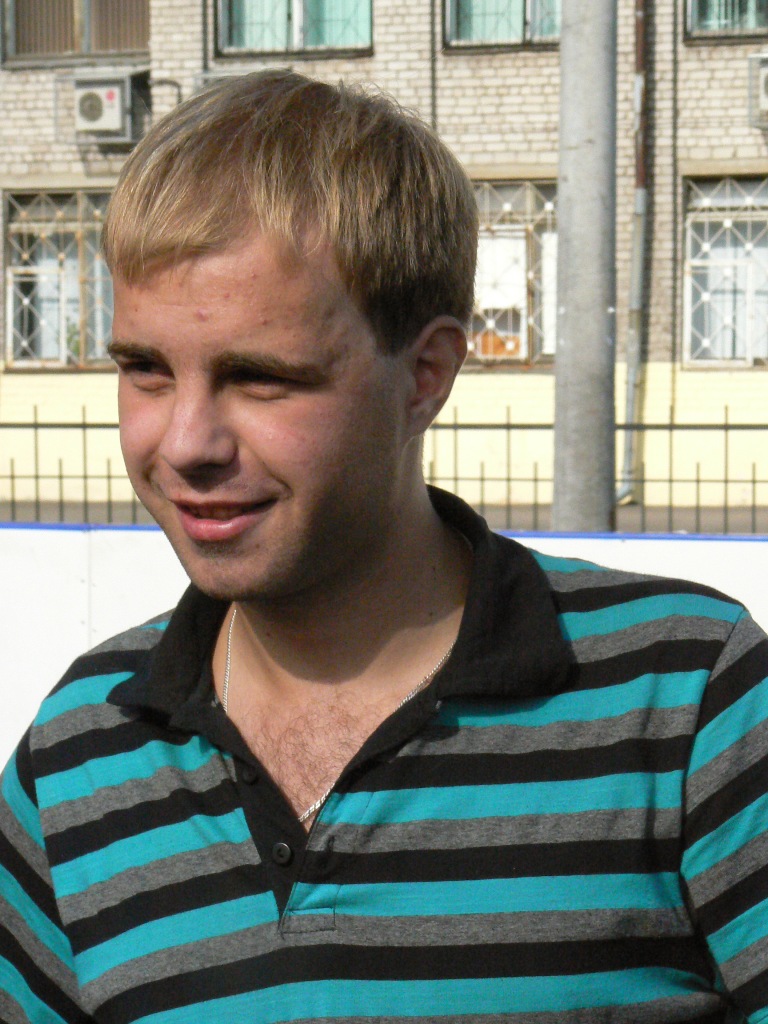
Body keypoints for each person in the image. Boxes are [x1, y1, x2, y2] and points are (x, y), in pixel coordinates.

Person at [1, 69, 767, 1024]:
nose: (186, 442)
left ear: (426, 375)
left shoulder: (689, 701)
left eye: (260, 378)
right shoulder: (78, 753)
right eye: (145, 370)